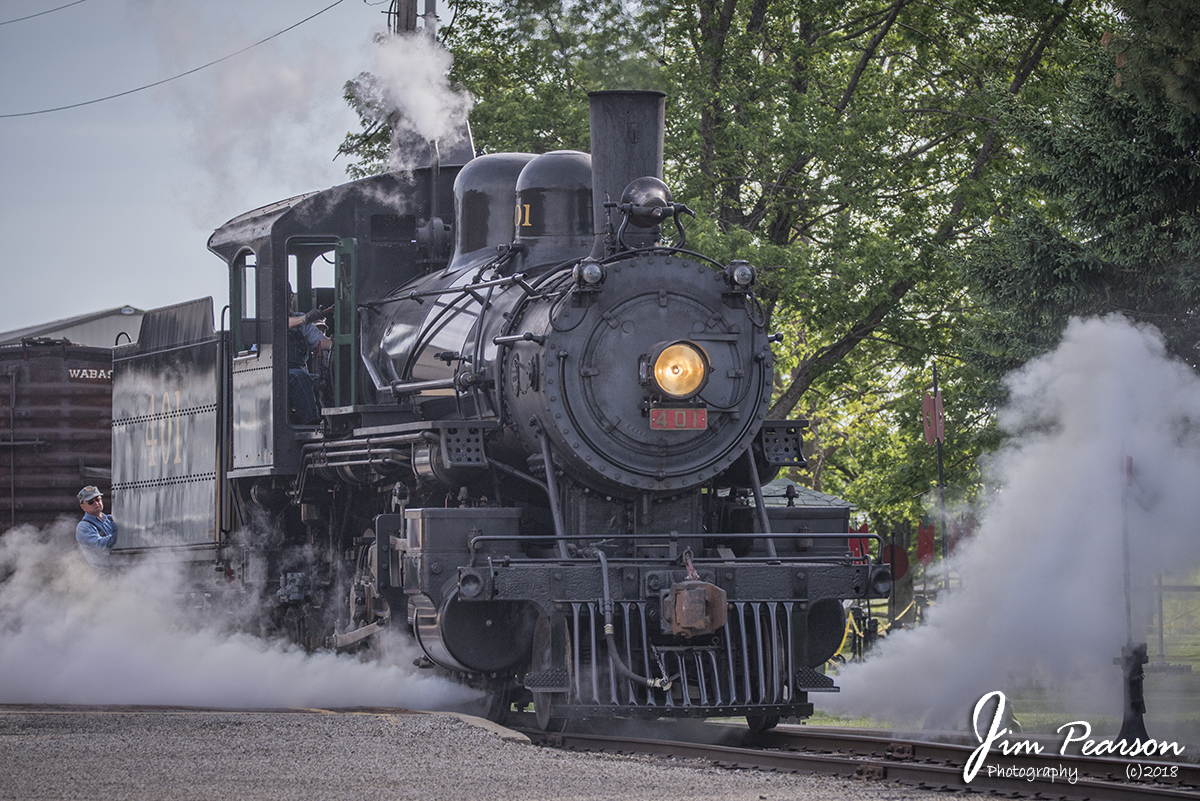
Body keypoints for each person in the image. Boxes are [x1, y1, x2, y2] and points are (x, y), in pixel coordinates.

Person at [287, 287, 333, 425]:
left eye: (290, 297)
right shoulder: (265, 320)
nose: (289, 301)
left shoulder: (301, 322)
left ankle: (332, 421)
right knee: (299, 377)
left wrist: (336, 344)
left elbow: (319, 340)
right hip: (273, 374)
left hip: (301, 371)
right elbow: (278, 324)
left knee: (327, 380)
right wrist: (304, 319)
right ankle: (311, 423)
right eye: (285, 297)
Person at [75, 486, 117, 568]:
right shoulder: (83, 526)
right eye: (91, 502)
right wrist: (120, 537)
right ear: (83, 507)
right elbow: (99, 544)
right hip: (101, 574)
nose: (96, 503)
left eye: (97, 499)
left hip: (118, 569)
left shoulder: (111, 519)